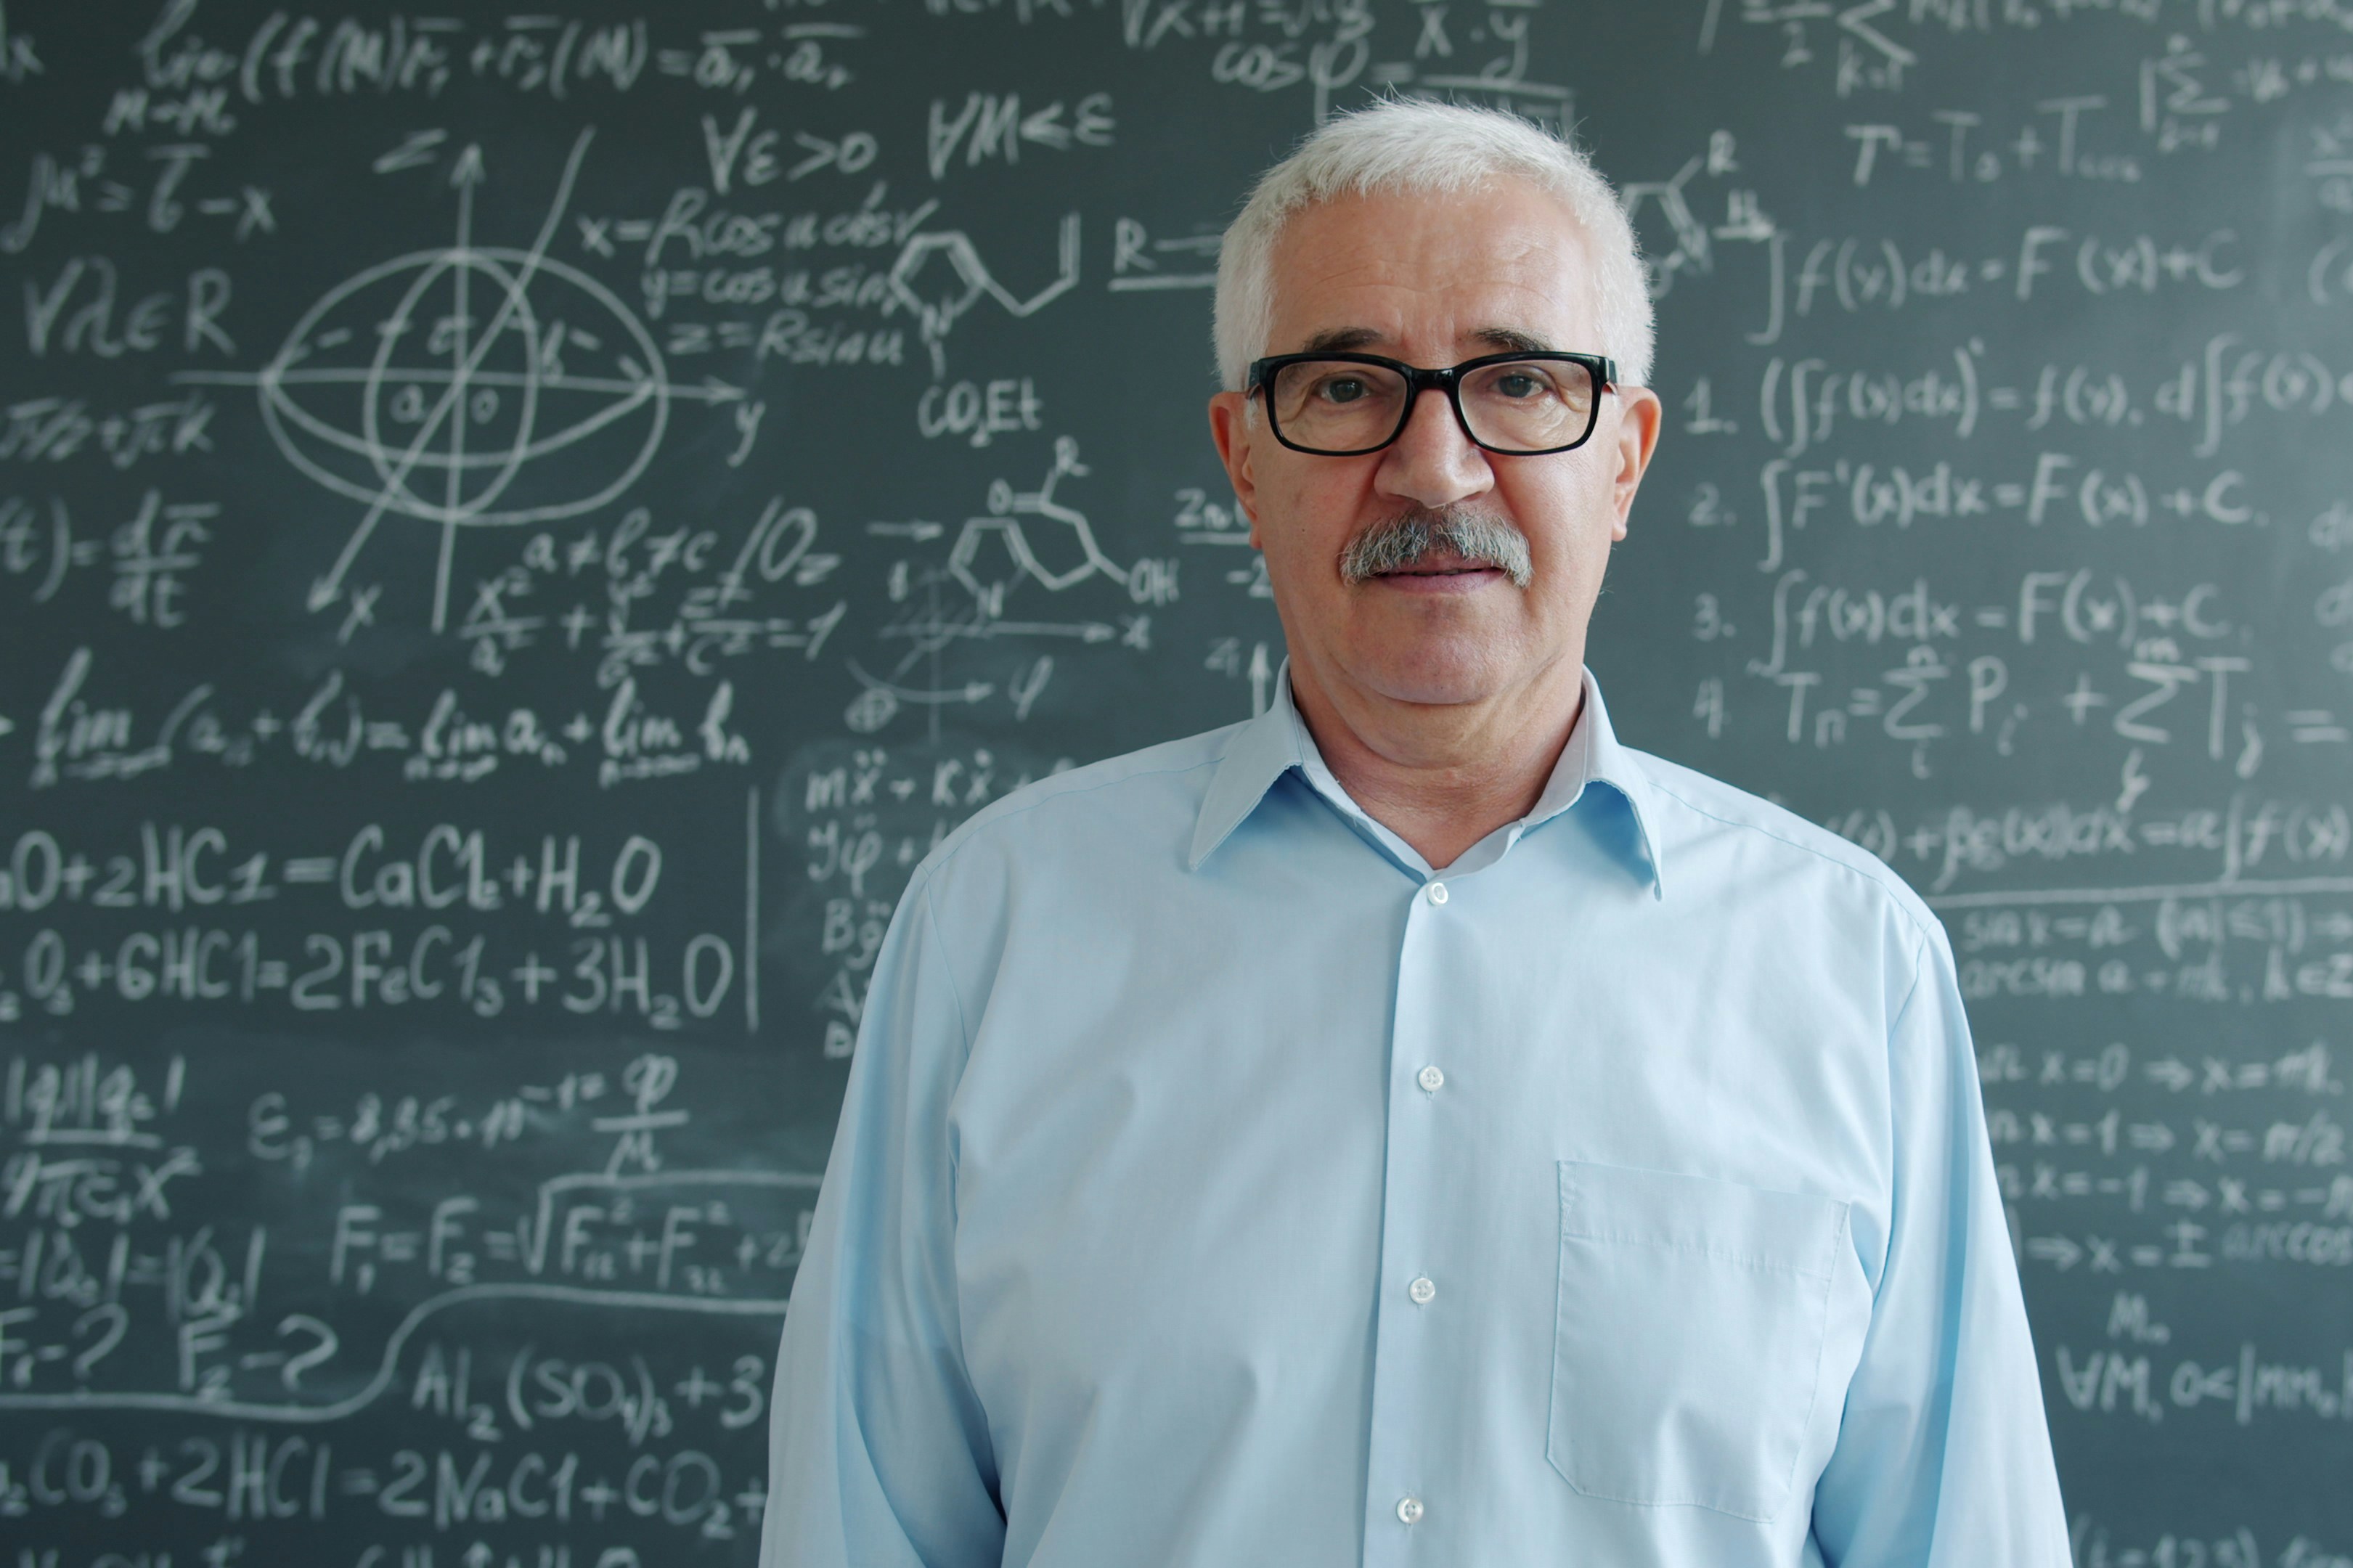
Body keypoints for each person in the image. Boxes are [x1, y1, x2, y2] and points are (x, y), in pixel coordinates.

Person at [762, 99, 2069, 1567]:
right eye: (1345, 385)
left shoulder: (1848, 965)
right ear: (1243, 459)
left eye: (1516, 383)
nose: (1437, 470)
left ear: (1624, 459)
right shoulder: (998, 927)